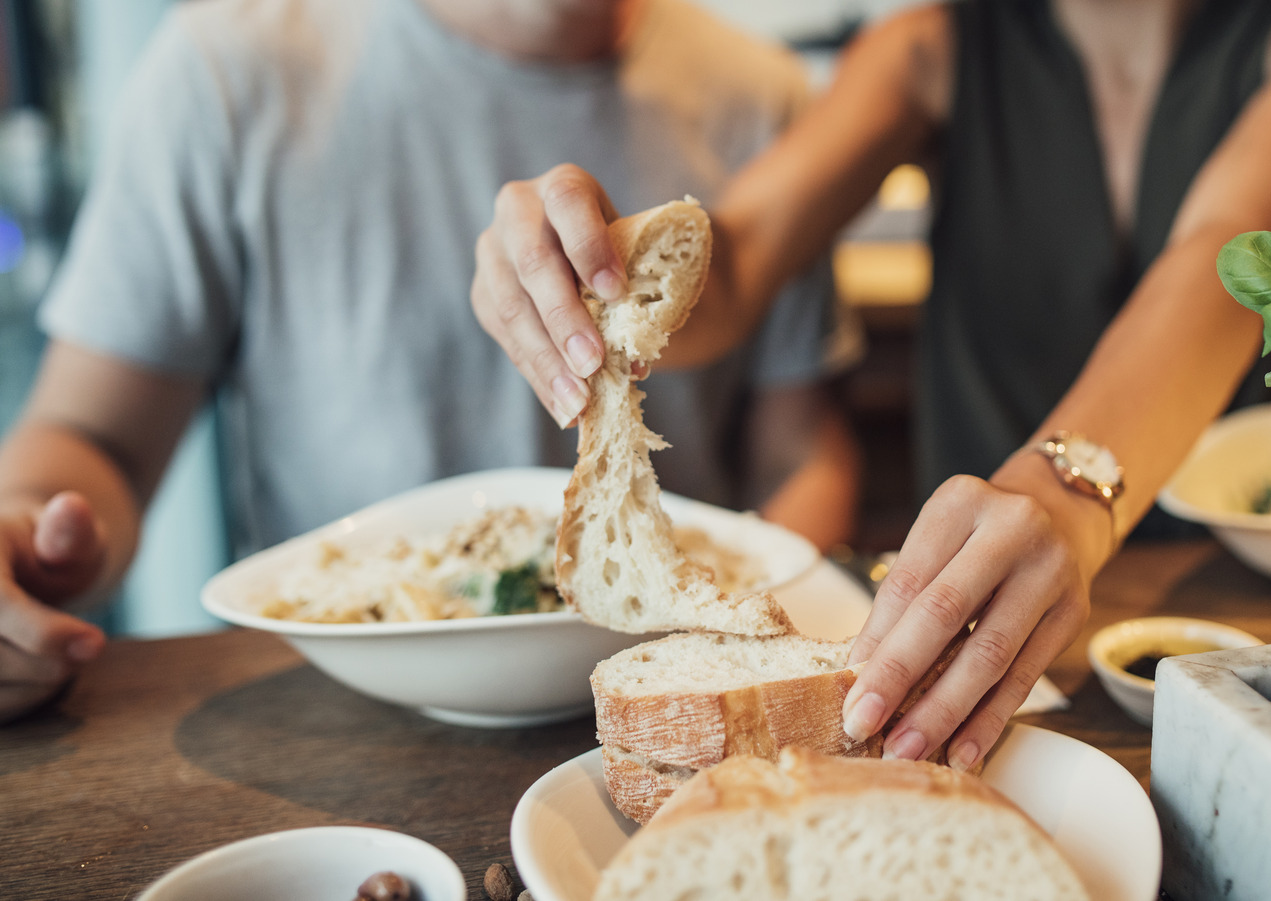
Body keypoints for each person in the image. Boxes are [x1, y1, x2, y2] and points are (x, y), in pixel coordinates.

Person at [471, 0, 1271, 770]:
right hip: (959, 631)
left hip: (1250, 629)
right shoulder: (932, 44)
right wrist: (598, 263)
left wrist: (1058, 495)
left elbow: (1228, 254)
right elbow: (745, 255)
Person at [0, 0, 862, 724]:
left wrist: (773, 619)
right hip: (336, 724)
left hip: (671, 706)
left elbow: (802, 450)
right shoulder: (223, 75)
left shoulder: (765, 96)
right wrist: (26, 531)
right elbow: (92, 436)